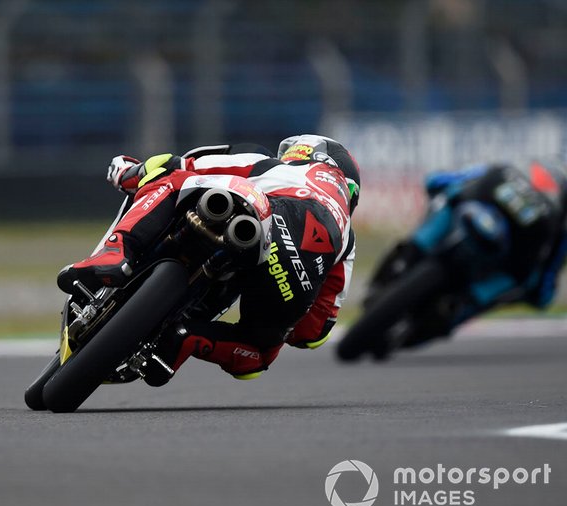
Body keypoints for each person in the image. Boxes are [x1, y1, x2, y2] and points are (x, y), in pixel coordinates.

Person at [57, 135, 361, 385]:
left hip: (267, 213)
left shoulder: (282, 167)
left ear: (307, 154)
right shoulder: (347, 237)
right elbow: (313, 334)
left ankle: (117, 252)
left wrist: (130, 173)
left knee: (173, 177)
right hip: (296, 277)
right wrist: (282, 317)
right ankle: (187, 338)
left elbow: (185, 165)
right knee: (259, 353)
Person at [367, 159, 567, 346]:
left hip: (497, 258)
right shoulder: (504, 173)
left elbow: (543, 275)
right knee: (442, 210)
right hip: (467, 220)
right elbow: (451, 181)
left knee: (513, 285)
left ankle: (449, 316)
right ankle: (399, 265)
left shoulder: (553, 226)